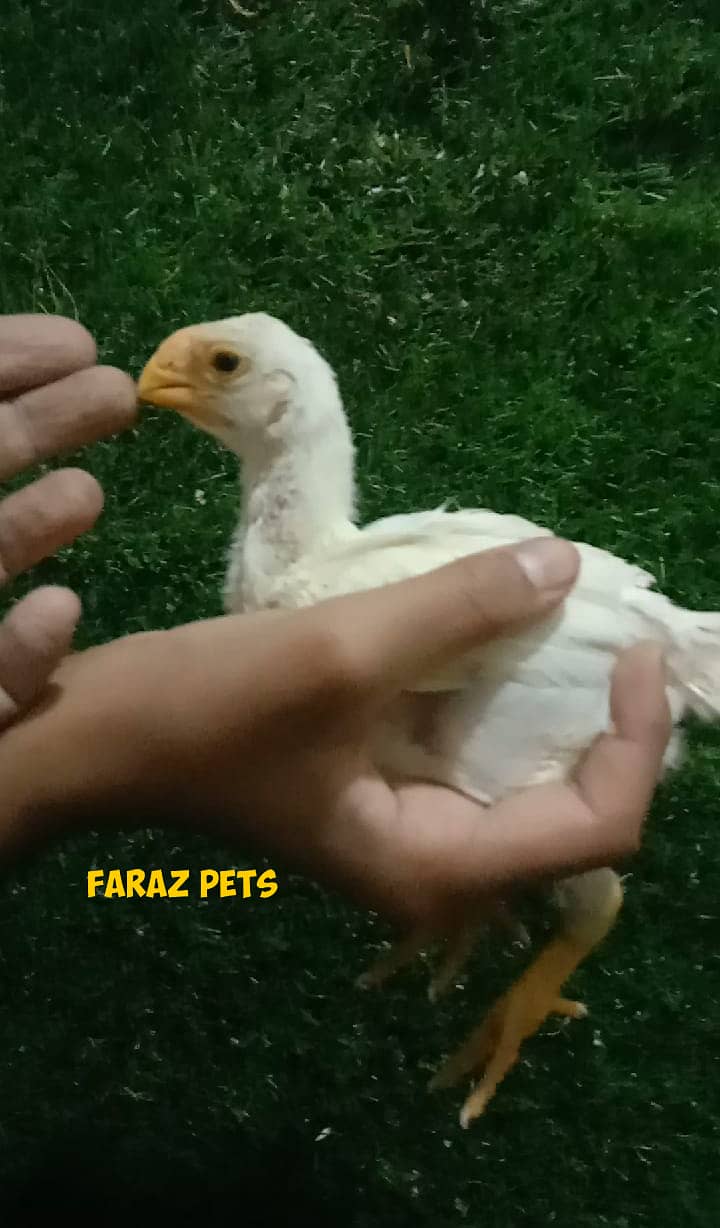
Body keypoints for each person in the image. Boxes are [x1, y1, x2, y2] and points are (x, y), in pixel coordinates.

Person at [0, 313, 671, 928]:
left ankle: (574, 934)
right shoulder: (327, 583)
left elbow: (598, 657)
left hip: (600, 684)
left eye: (225, 365)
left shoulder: (335, 590)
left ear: (288, 399)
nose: (169, 373)